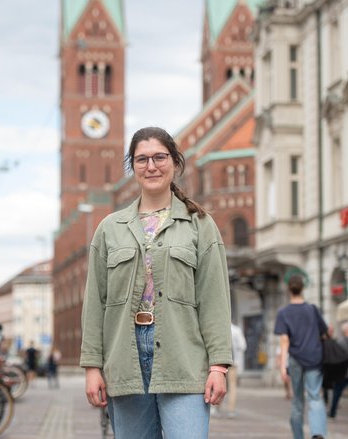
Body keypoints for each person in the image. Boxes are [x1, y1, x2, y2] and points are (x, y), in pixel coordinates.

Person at [80, 126, 233, 439]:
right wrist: (92, 367)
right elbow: (95, 302)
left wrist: (218, 366)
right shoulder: (110, 228)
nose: (151, 166)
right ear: (133, 167)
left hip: (184, 358)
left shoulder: (200, 225)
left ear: (175, 163)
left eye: (160, 157)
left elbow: (214, 298)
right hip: (124, 358)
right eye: (142, 159)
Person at [274, 274, 328, 439]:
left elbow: (284, 341)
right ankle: (317, 432)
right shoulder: (313, 310)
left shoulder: (284, 313)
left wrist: (283, 367)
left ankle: (298, 436)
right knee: (314, 396)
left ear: (289, 290)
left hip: (296, 359)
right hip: (314, 358)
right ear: (302, 288)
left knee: (297, 400)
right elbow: (324, 332)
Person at [225, 322, 248, 418]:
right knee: (232, 386)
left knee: (219, 383)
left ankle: (215, 408)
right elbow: (243, 346)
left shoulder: (219, 327)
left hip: (221, 362)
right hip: (233, 363)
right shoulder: (236, 330)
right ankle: (231, 410)